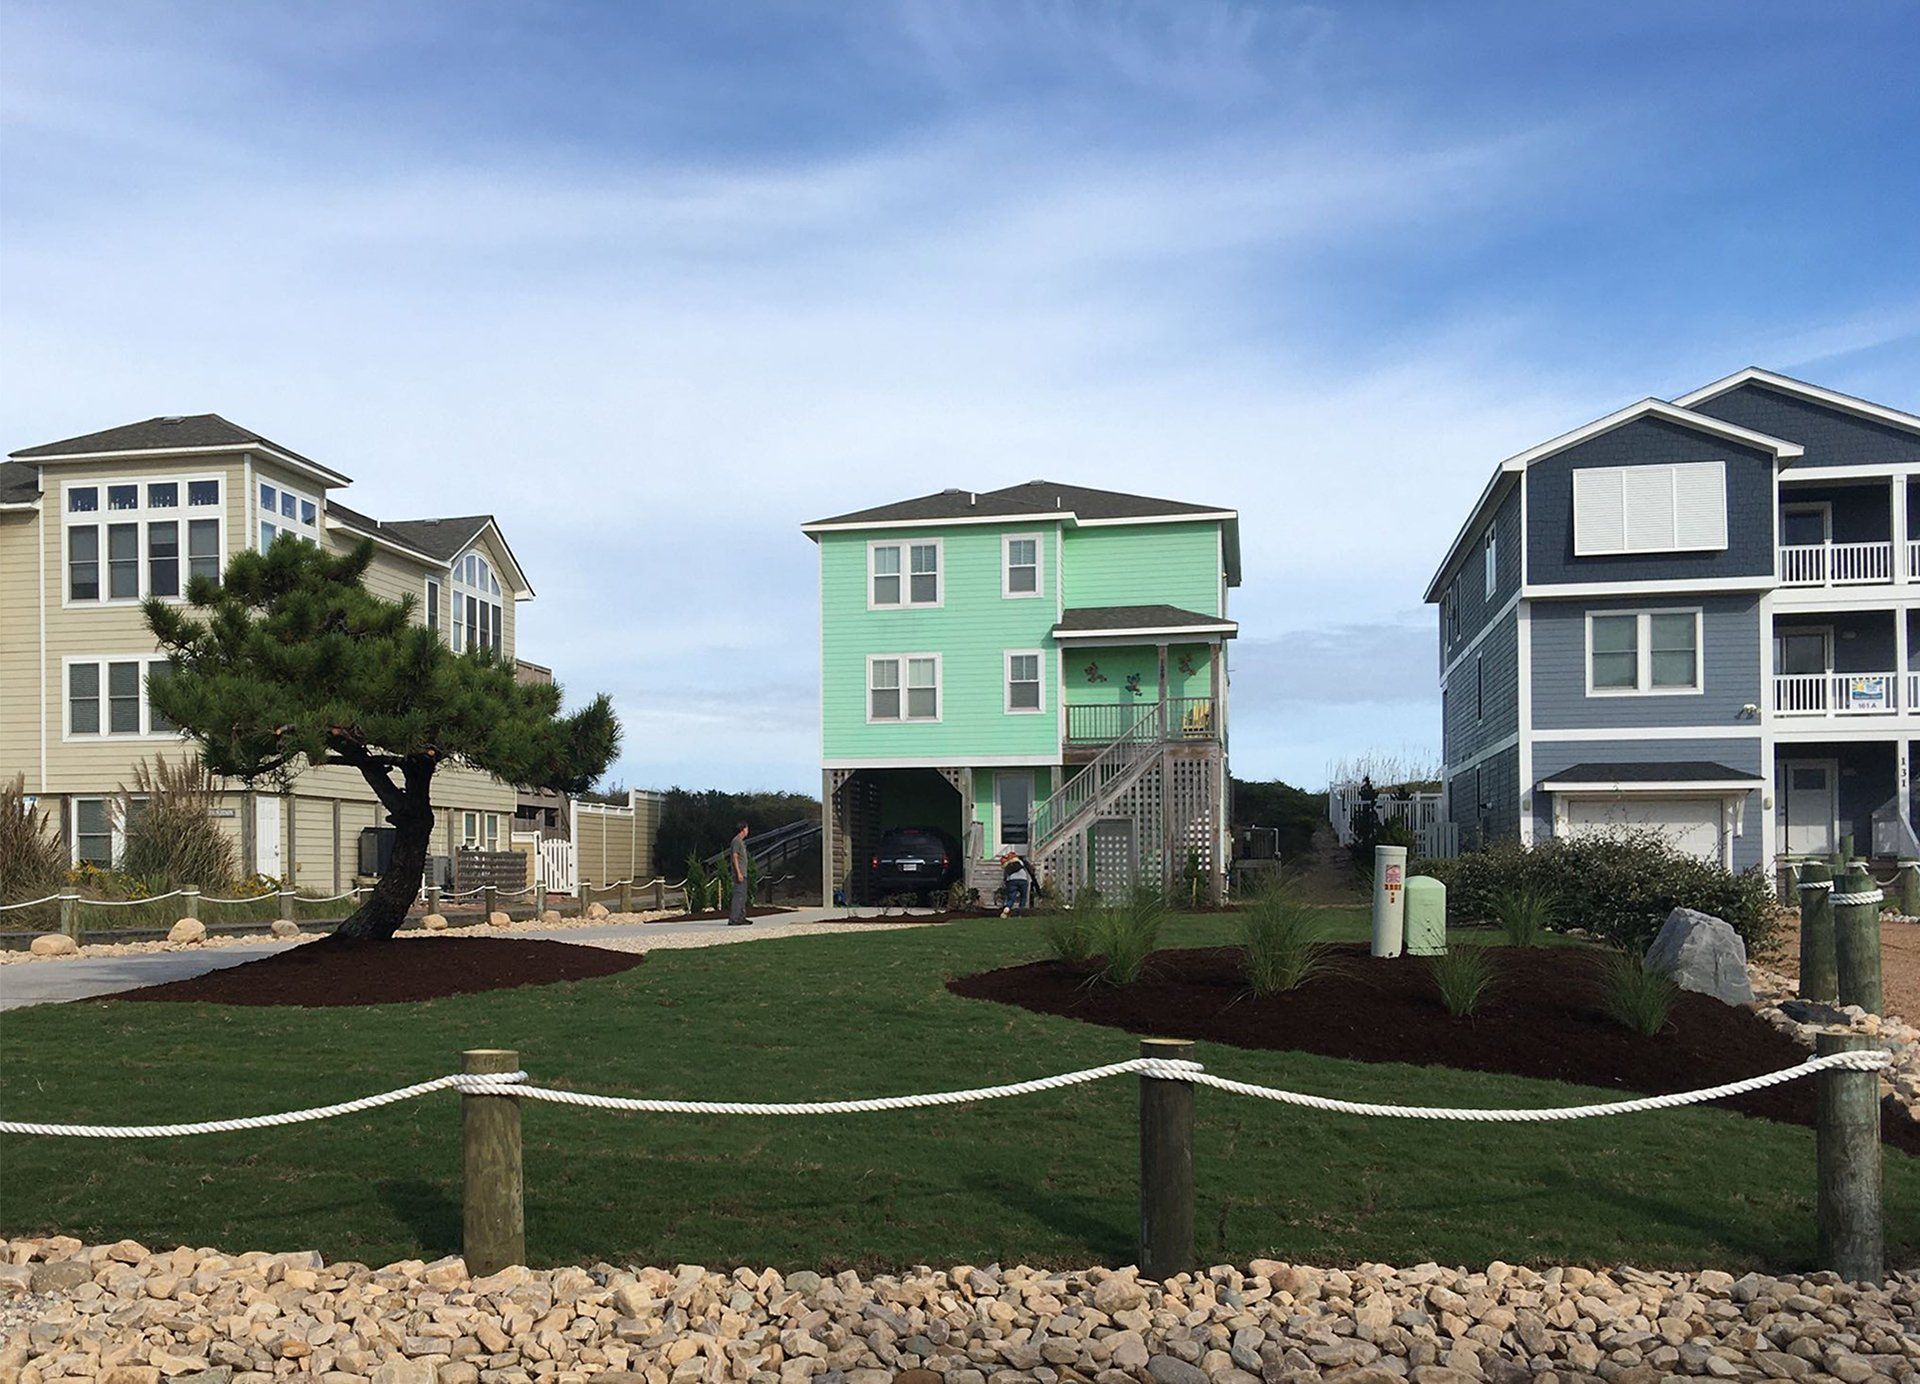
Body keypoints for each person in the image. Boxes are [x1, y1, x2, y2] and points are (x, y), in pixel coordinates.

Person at [726, 821, 752, 926]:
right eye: (747, 829)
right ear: (743, 829)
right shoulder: (736, 841)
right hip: (739, 873)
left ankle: (741, 917)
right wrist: (738, 872)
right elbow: (735, 857)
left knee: (743, 896)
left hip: (744, 872)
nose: (748, 831)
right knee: (738, 895)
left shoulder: (741, 842)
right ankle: (734, 918)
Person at [1000, 851, 1034, 916]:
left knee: (1012, 897)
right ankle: (1020, 913)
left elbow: (1005, 875)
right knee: (1023, 897)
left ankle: (1007, 907)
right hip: (1023, 880)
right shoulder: (1020, 862)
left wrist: (1005, 882)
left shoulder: (1007, 865)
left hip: (1012, 880)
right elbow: (1029, 868)